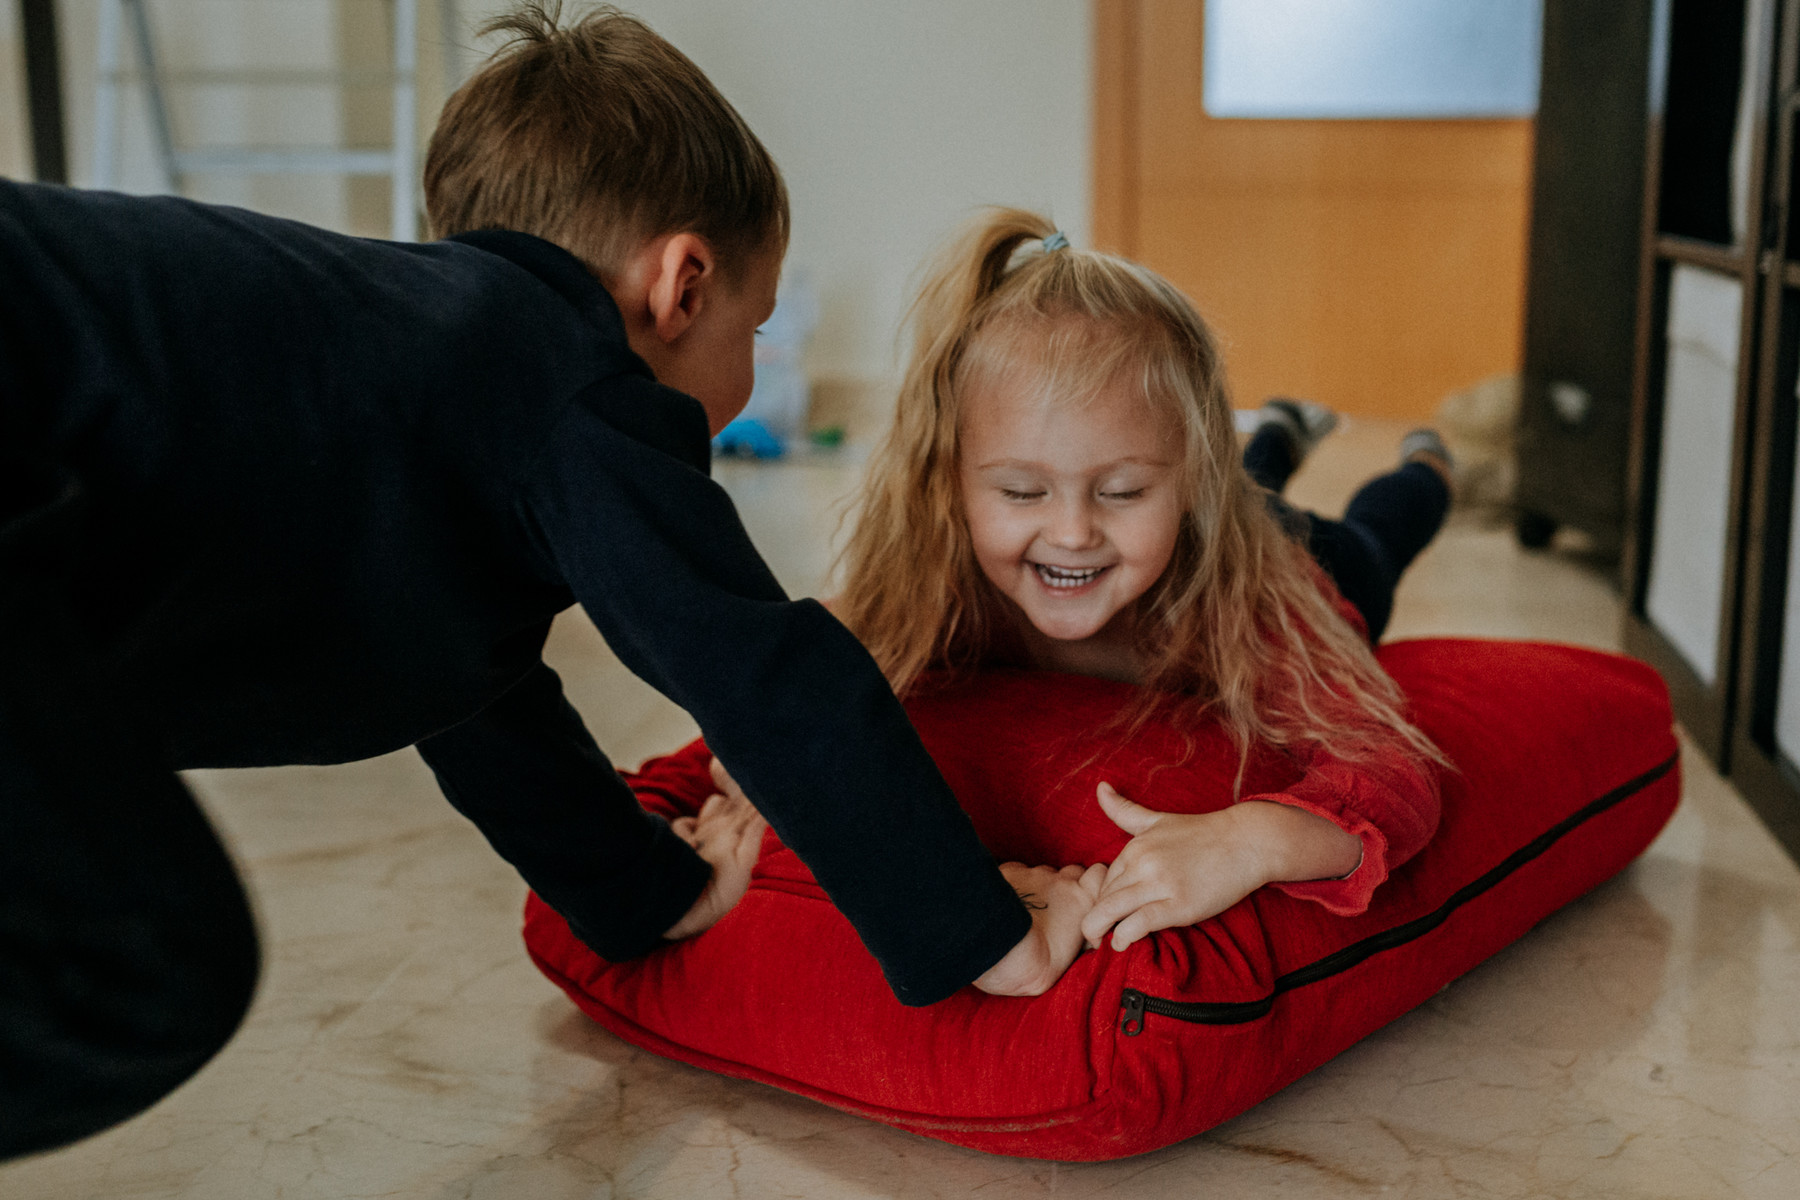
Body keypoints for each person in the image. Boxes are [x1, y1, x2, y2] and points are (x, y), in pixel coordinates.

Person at [0, 9, 1096, 1160]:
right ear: (681, 287)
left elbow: (470, 682)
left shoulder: (429, 377)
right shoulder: (573, 378)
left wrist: (642, 892)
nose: (751, 366)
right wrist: (981, 934)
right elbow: (761, 666)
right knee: (141, 964)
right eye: (755, 329)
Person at [825, 209, 1454, 953]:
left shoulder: (1245, 608)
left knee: (1374, 536)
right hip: (1211, 505)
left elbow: (1394, 771)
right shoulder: (945, 579)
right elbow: (810, 667)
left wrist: (1253, 840)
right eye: (1022, 493)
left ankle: (1428, 465)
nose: (1070, 533)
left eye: (1120, 492)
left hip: (1304, 558)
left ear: (1192, 482)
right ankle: (1280, 429)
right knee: (1252, 477)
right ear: (950, 482)